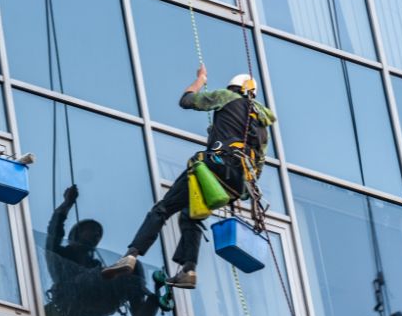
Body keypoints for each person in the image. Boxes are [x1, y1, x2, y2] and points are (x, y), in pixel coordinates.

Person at [101, 64, 275, 289]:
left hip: (216, 166)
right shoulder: (262, 125)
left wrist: (200, 81)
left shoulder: (227, 97)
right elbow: (259, 162)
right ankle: (189, 269)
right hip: (239, 183)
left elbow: (187, 100)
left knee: (163, 208)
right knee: (191, 215)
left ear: (235, 87)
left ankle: (131, 255)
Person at [44, 185, 158, 316]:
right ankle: (125, 279)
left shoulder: (94, 264)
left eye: (98, 234)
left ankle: (141, 315)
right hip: (72, 292)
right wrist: (67, 204)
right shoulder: (58, 254)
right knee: (123, 267)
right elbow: (55, 228)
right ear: (76, 234)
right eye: (92, 231)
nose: (96, 235)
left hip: (98, 298)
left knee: (133, 268)